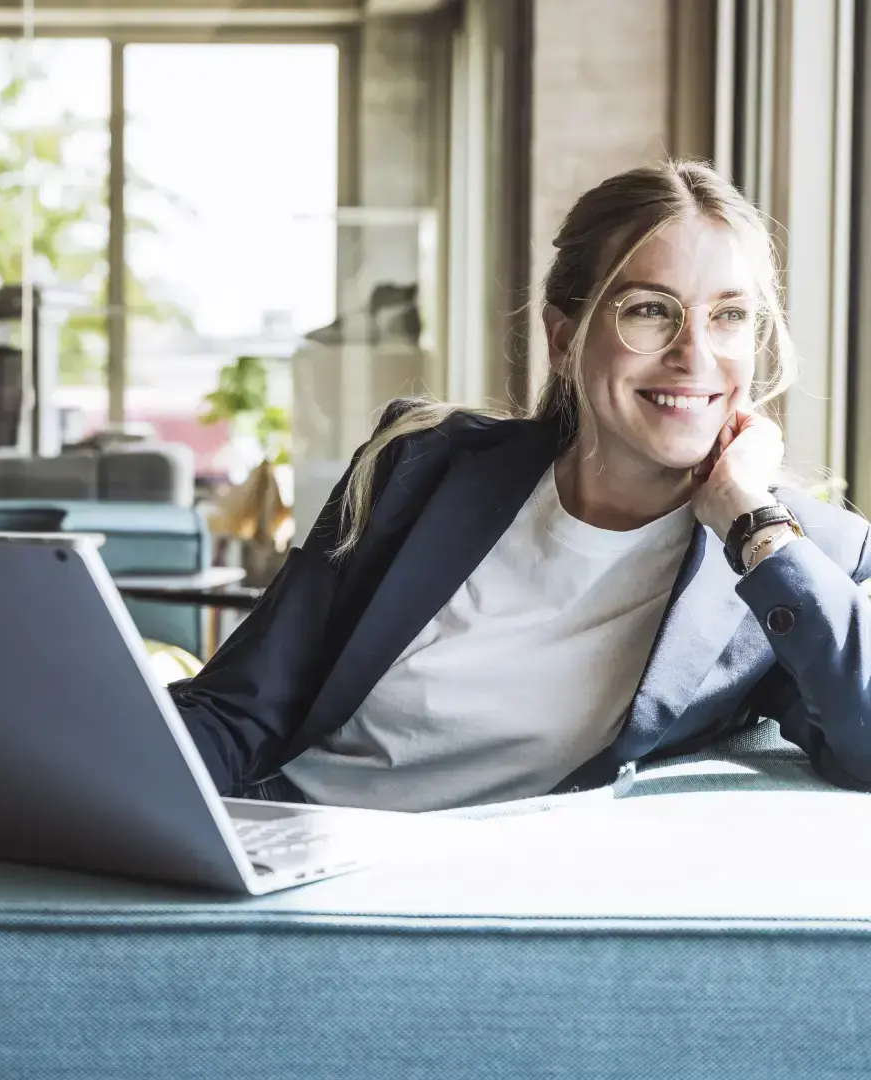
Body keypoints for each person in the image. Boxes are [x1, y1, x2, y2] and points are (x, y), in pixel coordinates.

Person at [170, 159, 871, 812]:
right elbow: (239, 710)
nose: (695, 354)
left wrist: (752, 523)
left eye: (729, 316)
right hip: (287, 855)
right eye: (650, 310)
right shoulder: (419, 468)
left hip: (488, 916)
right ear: (564, 338)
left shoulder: (802, 563)